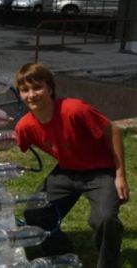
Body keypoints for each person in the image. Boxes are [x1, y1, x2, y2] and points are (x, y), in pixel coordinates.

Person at [14, 62, 129, 268]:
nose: (31, 94)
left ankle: (108, 263)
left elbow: (113, 131)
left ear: (50, 87)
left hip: (100, 171)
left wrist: (120, 174)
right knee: (35, 213)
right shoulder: (25, 125)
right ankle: (62, 253)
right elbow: (8, 144)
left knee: (104, 219)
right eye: (25, 90)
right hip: (67, 170)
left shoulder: (74, 109)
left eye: (37, 87)